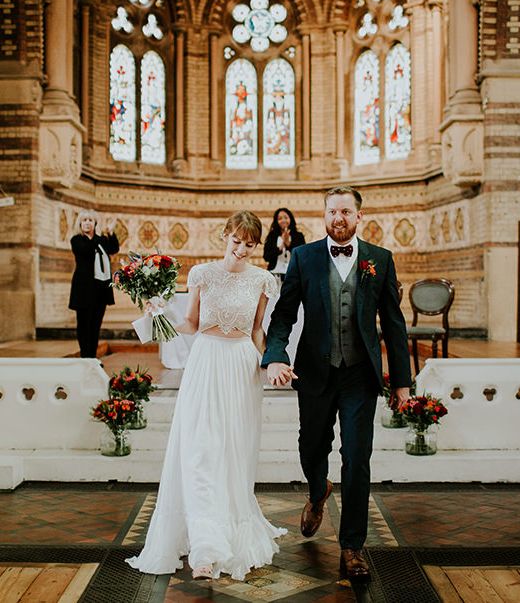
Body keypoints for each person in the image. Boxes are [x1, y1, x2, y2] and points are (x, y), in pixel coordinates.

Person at [127, 210, 286, 581]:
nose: (242, 250)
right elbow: (192, 324)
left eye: (250, 244)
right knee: (200, 450)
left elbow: (258, 331)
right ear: (224, 235)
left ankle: (229, 530)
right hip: (206, 362)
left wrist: (272, 363)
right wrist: (159, 311)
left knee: (234, 451)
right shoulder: (201, 274)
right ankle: (204, 546)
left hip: (242, 368)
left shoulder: (263, 280)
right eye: (236, 241)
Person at [262, 186, 411, 581]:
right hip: (315, 371)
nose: (338, 218)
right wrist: (276, 354)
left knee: (357, 458)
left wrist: (401, 381)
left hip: (360, 377)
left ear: (359, 216)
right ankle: (317, 491)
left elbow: (394, 325)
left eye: (346, 211)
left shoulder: (380, 260)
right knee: (311, 448)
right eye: (332, 212)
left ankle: (352, 547)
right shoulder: (304, 257)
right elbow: (284, 314)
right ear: (323, 215)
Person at [68, 210, 119, 358]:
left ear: (95, 223)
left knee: (95, 326)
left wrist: (110, 232)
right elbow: (86, 251)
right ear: (80, 223)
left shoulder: (101, 240)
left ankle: (92, 358)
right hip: (83, 290)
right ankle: (86, 357)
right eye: (84, 220)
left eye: (90, 220)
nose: (87, 222)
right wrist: (97, 237)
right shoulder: (77, 240)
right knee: (84, 326)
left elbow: (113, 248)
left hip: (100, 290)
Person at [262, 207, 306, 281]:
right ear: (276, 221)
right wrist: (280, 247)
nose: (283, 220)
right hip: (275, 275)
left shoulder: (298, 236)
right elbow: (266, 257)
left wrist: (288, 244)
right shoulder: (272, 236)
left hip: (293, 276)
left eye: (286, 217)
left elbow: (302, 256)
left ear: (290, 219)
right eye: (280, 218)